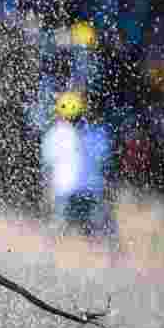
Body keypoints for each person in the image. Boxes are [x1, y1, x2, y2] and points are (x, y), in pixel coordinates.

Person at [40, 91, 117, 241]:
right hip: (91, 192)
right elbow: (105, 165)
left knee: (57, 236)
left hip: (63, 191)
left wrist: (46, 193)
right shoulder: (95, 133)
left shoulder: (52, 134)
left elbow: (47, 168)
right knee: (99, 236)